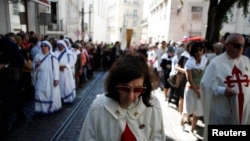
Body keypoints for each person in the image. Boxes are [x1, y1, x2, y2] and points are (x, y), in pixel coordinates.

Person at [79, 53, 166, 141]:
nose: (131, 97)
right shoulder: (98, 107)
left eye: (138, 90)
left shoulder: (152, 104)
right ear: (114, 85)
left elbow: (158, 137)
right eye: (124, 89)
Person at [200, 33, 250, 141]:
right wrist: (222, 90)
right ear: (227, 45)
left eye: (243, 46)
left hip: (244, 109)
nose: (241, 49)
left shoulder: (246, 61)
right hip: (222, 110)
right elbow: (205, 84)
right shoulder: (216, 63)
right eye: (237, 46)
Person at [180, 42, 207, 134]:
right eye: (196, 51)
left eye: (200, 50)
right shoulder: (189, 62)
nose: (198, 53)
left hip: (201, 89)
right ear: (192, 53)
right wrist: (197, 91)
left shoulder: (205, 60)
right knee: (188, 109)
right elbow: (189, 79)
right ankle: (182, 122)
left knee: (198, 111)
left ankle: (192, 129)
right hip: (191, 90)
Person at [32, 41, 62, 114]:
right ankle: (40, 109)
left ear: (48, 48)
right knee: (39, 92)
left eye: (45, 46)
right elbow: (32, 67)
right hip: (40, 78)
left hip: (50, 79)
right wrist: (36, 65)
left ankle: (51, 108)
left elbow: (56, 69)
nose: (43, 47)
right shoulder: (37, 56)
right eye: (42, 46)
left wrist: (56, 79)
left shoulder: (52, 57)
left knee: (49, 93)